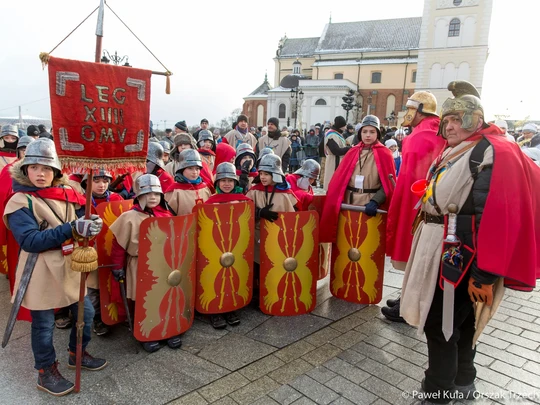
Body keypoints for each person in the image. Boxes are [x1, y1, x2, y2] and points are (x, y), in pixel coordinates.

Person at [399, 80, 540, 405]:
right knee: (459, 322)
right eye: (445, 121)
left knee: (442, 323)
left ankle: (438, 393)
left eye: (455, 119)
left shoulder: (491, 152)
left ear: (474, 119)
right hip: (446, 245)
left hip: (460, 253)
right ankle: (463, 382)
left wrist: (485, 274)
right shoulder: (461, 149)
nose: (448, 126)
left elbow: (497, 214)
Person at [4, 138, 107, 396]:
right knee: (44, 326)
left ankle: (77, 352)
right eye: (35, 167)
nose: (41, 174)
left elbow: (79, 228)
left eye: (47, 168)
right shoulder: (20, 201)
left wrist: (90, 226)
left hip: (69, 265)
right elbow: (30, 241)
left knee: (86, 313)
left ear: (56, 172)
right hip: (39, 269)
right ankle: (45, 371)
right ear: (26, 169)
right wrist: (71, 229)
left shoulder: (68, 195)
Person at [382, 91, 446, 323]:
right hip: (425, 200)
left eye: (412, 109)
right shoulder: (432, 131)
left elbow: (416, 175)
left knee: (416, 252)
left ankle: (409, 306)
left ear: (420, 111)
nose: (408, 113)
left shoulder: (422, 136)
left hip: (419, 203)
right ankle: (407, 297)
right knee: (417, 254)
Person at [109, 174, 178, 353]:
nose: (153, 197)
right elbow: (118, 246)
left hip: (164, 265)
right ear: (139, 196)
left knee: (166, 296)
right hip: (139, 264)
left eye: (156, 193)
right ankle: (147, 333)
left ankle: (168, 328)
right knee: (143, 300)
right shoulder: (129, 217)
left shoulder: (167, 214)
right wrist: (116, 267)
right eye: (148, 194)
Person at [320, 115, 395, 243]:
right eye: (365, 131)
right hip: (349, 203)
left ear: (378, 133)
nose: (368, 135)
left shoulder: (385, 154)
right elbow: (340, 180)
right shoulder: (352, 152)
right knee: (347, 243)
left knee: (367, 244)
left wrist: (375, 201)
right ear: (360, 133)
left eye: (372, 132)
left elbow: (388, 184)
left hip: (369, 203)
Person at [204, 162, 252, 328]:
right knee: (214, 277)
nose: (226, 184)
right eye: (223, 180)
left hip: (235, 247)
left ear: (235, 183)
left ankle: (230, 307)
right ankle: (215, 312)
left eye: (230, 180)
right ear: (217, 183)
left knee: (233, 277)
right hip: (214, 247)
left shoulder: (243, 201)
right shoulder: (210, 202)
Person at [165, 149, 212, 215]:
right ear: (182, 169)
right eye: (190, 168)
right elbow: (168, 216)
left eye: (197, 168)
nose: (194, 172)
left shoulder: (205, 188)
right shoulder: (174, 191)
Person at [323, 116, 351, 191]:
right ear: (340, 126)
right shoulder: (332, 135)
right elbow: (336, 151)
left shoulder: (337, 134)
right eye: (344, 126)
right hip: (334, 162)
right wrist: (349, 148)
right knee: (333, 184)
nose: (345, 128)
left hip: (338, 161)